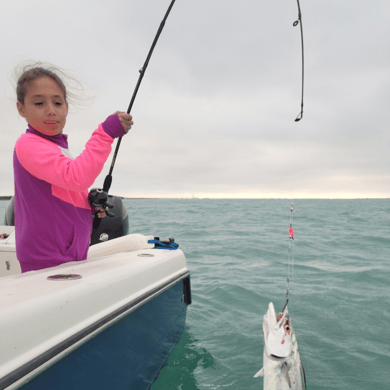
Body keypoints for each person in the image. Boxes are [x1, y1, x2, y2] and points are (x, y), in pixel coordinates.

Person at [13, 64, 133, 272]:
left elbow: (65, 190)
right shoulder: (28, 145)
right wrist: (104, 134)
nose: (51, 110)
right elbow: (77, 177)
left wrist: (88, 205)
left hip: (70, 259)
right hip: (45, 263)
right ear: (21, 108)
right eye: (39, 103)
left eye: (57, 103)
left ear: (66, 108)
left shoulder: (56, 148)